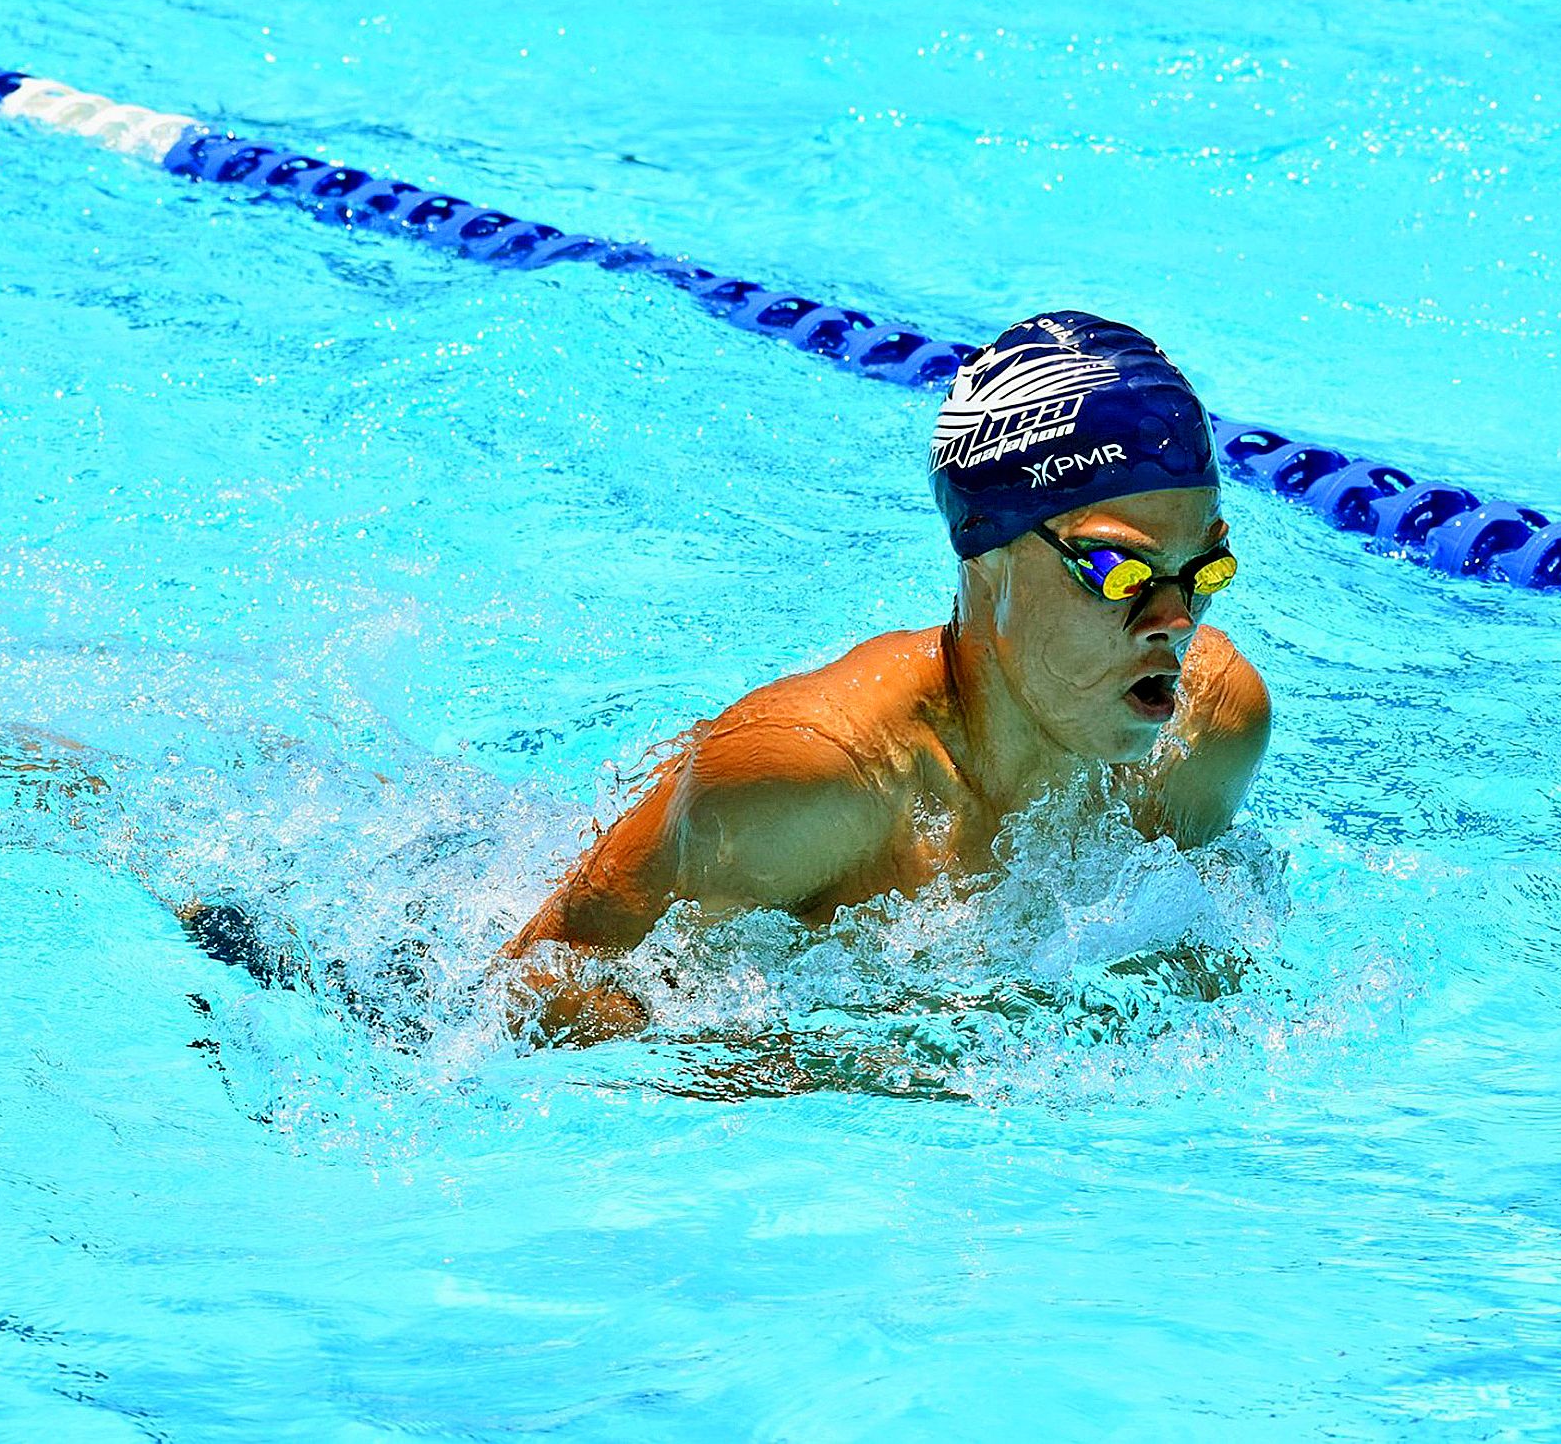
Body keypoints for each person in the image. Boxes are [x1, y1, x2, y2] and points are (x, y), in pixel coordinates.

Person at [504, 311, 1271, 1041]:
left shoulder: (1208, 731)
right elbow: (534, 995)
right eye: (1117, 570)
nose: (1174, 619)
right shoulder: (808, 780)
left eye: (1202, 570)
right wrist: (851, 1069)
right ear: (987, 552)